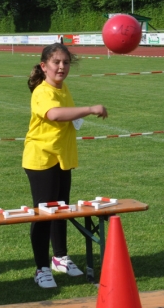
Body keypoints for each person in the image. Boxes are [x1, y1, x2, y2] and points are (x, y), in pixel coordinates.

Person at [23, 43, 108, 288]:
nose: (62, 67)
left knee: (61, 210)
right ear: (44, 66)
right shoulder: (42, 91)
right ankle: (41, 268)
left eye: (66, 62)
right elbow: (54, 114)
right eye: (56, 62)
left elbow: (66, 114)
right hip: (42, 160)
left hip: (62, 158)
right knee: (43, 215)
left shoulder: (63, 88)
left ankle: (60, 258)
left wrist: (78, 116)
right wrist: (90, 109)